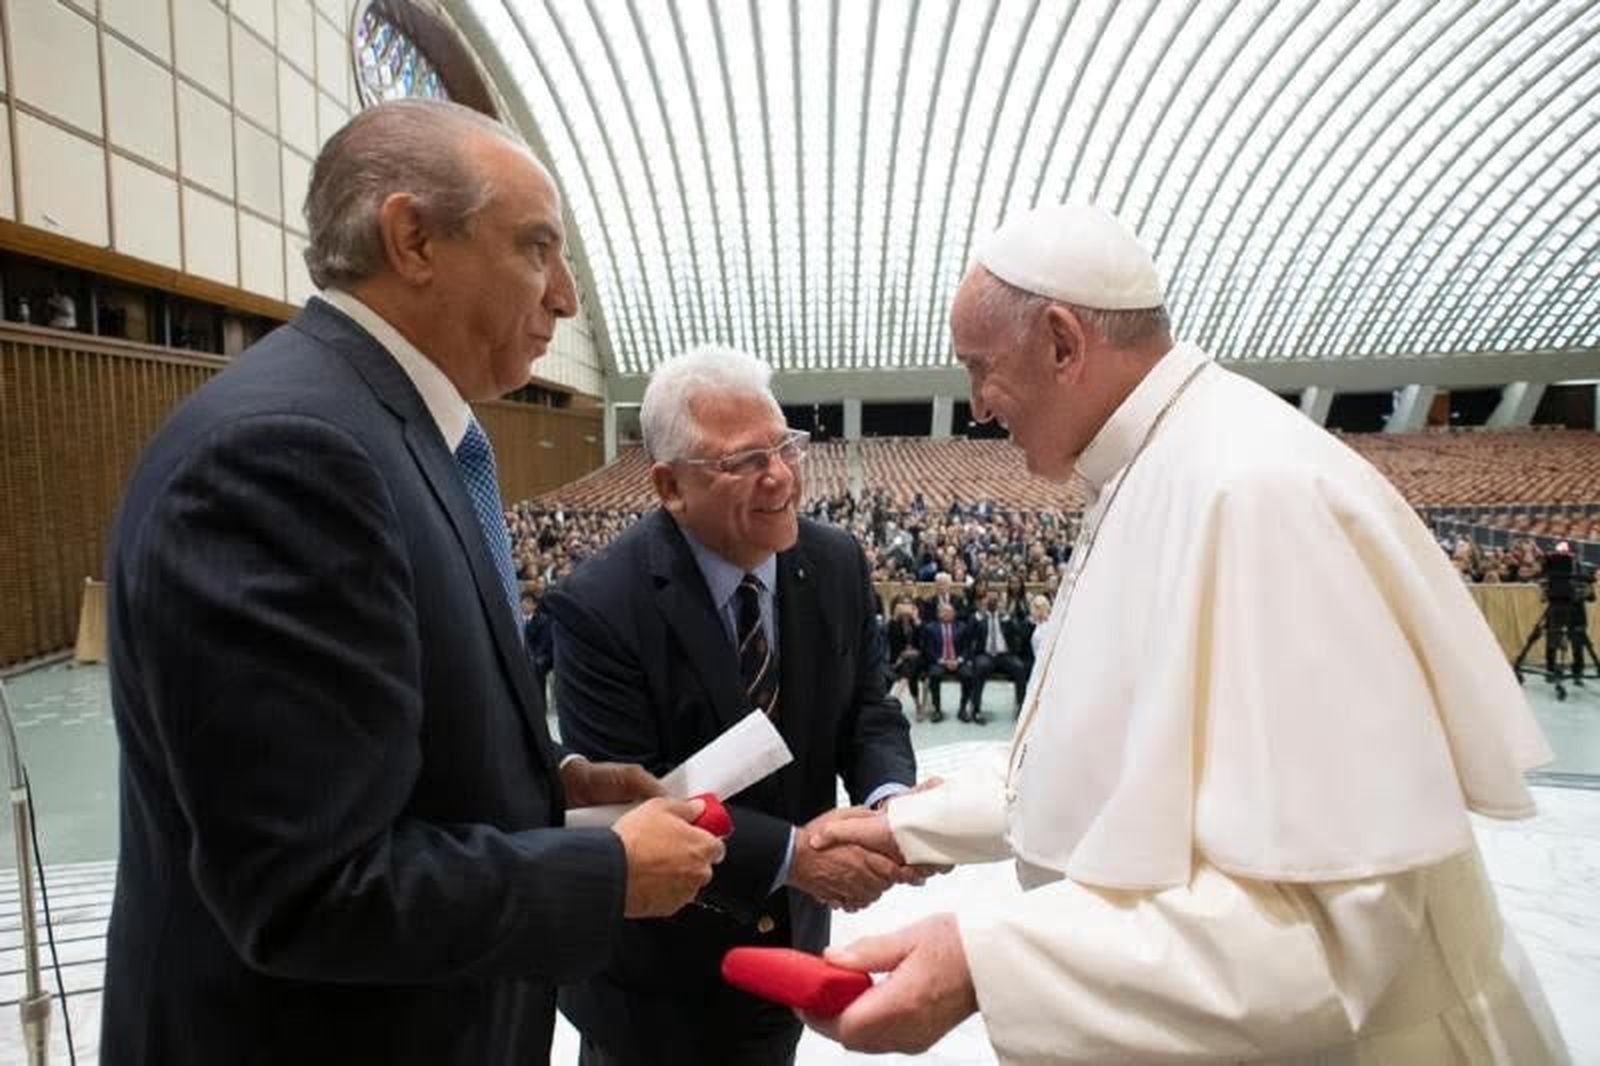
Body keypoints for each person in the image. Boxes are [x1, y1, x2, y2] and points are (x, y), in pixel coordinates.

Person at [804, 202, 1567, 1063]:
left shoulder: (1255, 493)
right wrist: (908, 828)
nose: (977, 407)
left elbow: (1331, 936)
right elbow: (1101, 769)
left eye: (982, 369)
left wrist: (985, 965)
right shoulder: (1148, 468)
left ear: (1062, 342)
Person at [100, 99, 724, 1066]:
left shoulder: (385, 428)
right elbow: (310, 888)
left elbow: (378, 730)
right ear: (413, 238)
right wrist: (606, 871)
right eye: (536, 248)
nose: (563, 296)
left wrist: (549, 782)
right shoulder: (288, 454)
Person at [545, 345, 920, 1066]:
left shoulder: (836, 561)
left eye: (784, 447)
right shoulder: (599, 605)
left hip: (788, 959)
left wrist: (889, 806)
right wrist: (792, 855)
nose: (779, 476)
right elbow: (631, 800)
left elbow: (868, 710)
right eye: (742, 461)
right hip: (659, 983)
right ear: (669, 485)